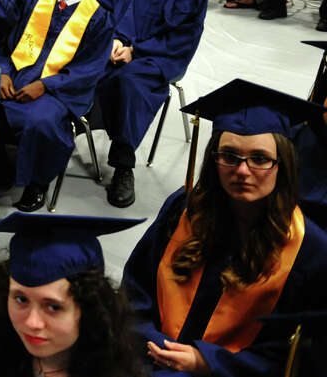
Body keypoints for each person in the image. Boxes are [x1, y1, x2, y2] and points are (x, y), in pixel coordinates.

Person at [122, 79, 327, 377]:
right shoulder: (183, 211)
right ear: (213, 159)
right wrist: (153, 342)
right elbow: (134, 291)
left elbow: (298, 354)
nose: (242, 171)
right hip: (151, 358)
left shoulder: (311, 250)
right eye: (229, 156)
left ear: (282, 164)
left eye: (259, 159)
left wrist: (207, 363)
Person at [0, 0, 116, 212]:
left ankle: (37, 182)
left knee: (41, 120)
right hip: (20, 77)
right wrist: (4, 73)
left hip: (63, 90)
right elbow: (10, 45)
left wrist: (46, 86)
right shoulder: (38, 1)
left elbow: (89, 70)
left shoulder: (98, 17)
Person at [0, 213, 148, 377]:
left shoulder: (115, 369)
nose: (32, 323)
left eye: (53, 306)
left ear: (91, 308)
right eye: (20, 299)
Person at [92, 0, 208, 208]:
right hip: (120, 51)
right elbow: (108, 15)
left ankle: (123, 163)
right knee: (91, 70)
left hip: (160, 58)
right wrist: (115, 40)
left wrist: (137, 50)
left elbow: (183, 40)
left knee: (129, 81)